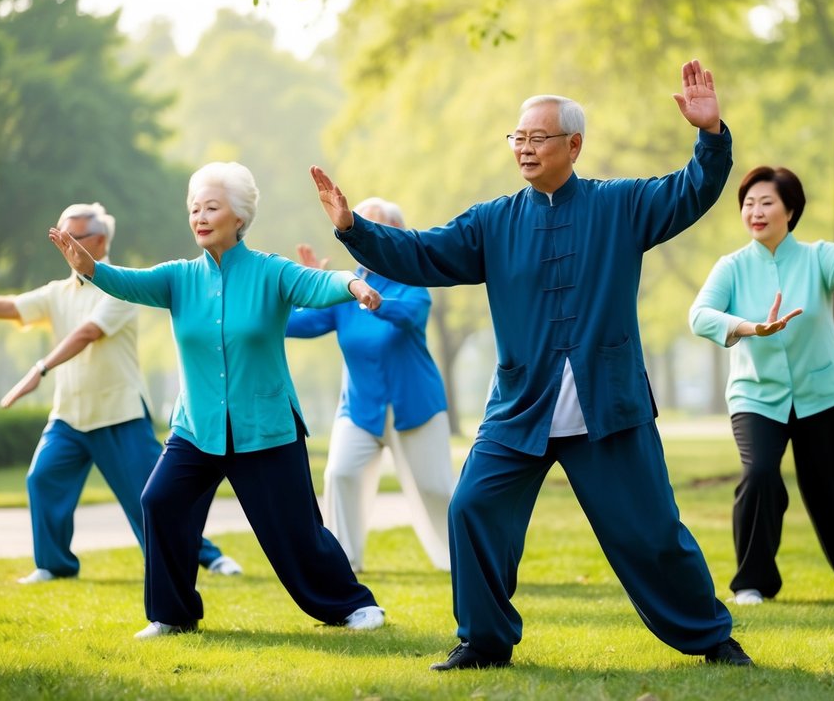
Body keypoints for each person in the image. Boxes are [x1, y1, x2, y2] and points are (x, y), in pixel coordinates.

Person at [312, 60, 753, 670]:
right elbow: (423, 252)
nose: (524, 147)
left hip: (610, 405)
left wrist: (710, 136)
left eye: (537, 137)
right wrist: (353, 229)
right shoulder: (493, 221)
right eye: (517, 137)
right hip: (521, 405)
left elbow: (692, 190)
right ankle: (484, 641)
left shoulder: (621, 205)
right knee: (471, 509)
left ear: (574, 145)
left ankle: (712, 638)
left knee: (651, 532)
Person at [47, 163, 385, 639]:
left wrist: (353, 284)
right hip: (197, 427)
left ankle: (353, 606)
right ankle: (173, 614)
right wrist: (92, 270)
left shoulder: (270, 272)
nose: (199, 217)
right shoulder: (178, 278)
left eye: (211, 207)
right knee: (160, 502)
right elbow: (128, 281)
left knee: (297, 532)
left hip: (265, 424)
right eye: (194, 208)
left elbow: (315, 285)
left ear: (239, 217)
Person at [0, 202, 241, 584]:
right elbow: (17, 306)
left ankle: (208, 556)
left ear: (99, 242)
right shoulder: (58, 291)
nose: (64, 246)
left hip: (119, 415)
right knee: (42, 479)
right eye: (59, 238)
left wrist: (40, 368)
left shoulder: (120, 286)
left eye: (73, 238)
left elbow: (87, 333)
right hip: (69, 415)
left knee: (153, 499)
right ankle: (55, 565)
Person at [688, 166, 834, 605]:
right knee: (759, 474)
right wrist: (750, 327)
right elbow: (700, 315)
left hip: (826, 394)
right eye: (748, 204)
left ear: (790, 210)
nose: (755, 212)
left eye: (766, 203)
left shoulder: (816, 258)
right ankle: (752, 583)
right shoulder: (732, 267)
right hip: (756, 395)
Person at [286, 197, 454, 572]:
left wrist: (371, 299)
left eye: (377, 231)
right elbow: (297, 325)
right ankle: (343, 565)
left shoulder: (413, 281)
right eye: (362, 230)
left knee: (437, 490)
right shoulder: (345, 286)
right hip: (360, 409)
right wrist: (305, 292)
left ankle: (461, 561)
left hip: (417, 406)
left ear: (395, 237)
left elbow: (409, 314)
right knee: (340, 474)